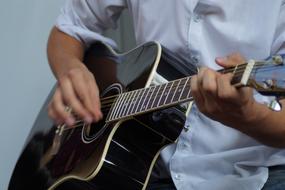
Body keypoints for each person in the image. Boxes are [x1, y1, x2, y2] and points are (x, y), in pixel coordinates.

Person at [47, 0, 285, 189]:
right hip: (147, 166)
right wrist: (70, 69)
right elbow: (68, 29)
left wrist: (250, 117)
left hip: (253, 171)